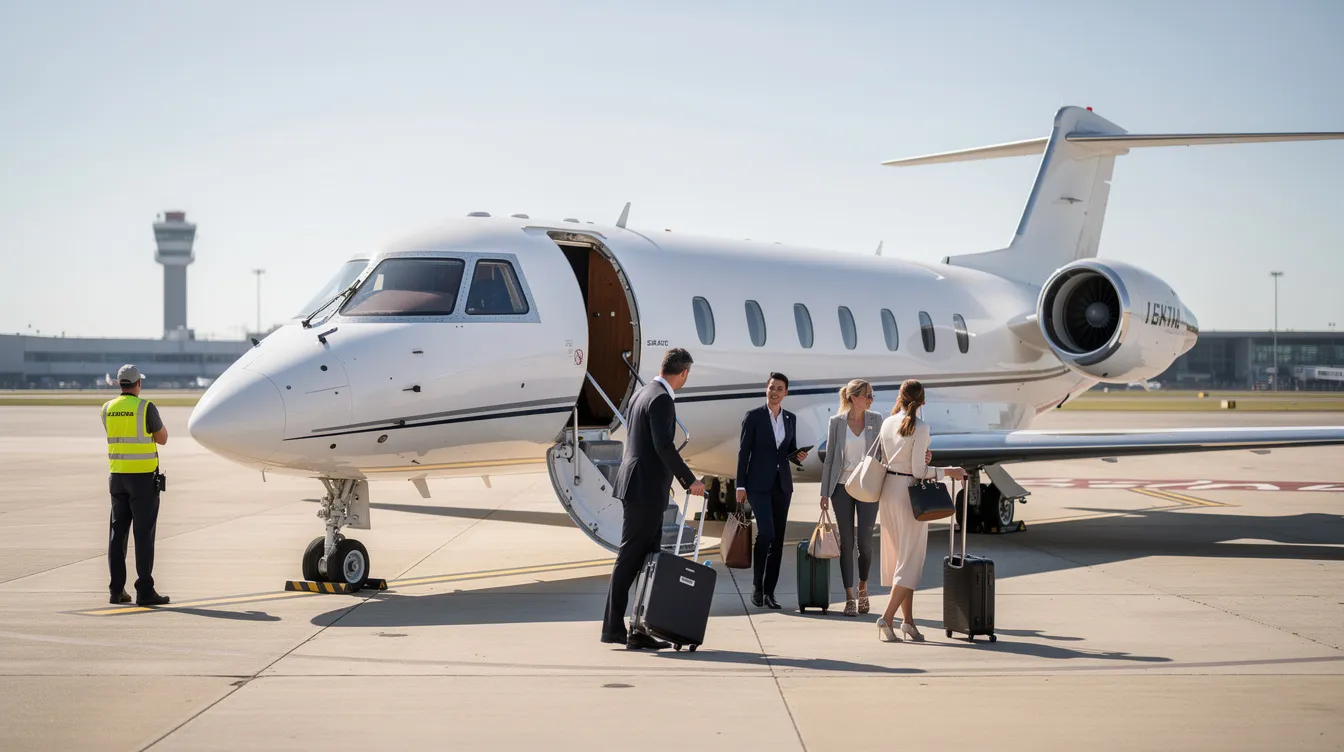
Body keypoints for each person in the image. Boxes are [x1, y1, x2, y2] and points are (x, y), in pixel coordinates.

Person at [602, 348, 705, 649]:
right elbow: (663, 446)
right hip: (644, 490)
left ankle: (639, 630)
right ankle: (613, 628)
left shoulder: (643, 392)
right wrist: (689, 480)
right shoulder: (661, 399)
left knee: (648, 560)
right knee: (631, 558)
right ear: (684, 373)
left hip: (641, 486)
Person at [875, 379, 965, 642]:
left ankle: (908, 622)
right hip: (909, 494)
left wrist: (922, 458)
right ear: (923, 400)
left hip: (888, 491)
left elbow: (891, 459)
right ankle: (887, 618)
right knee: (911, 559)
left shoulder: (887, 422)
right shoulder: (921, 427)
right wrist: (949, 471)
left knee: (900, 560)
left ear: (900, 397)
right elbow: (918, 471)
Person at [735, 373, 807, 609]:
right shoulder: (753, 417)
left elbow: (788, 450)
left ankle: (770, 593)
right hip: (757, 485)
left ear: (786, 393)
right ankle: (757, 586)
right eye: (772, 387)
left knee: (777, 540)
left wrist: (798, 456)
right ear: (766, 390)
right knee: (766, 533)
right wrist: (740, 485)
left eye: (780, 388)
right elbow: (744, 451)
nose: (775, 392)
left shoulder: (790, 418)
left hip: (782, 485)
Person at [102, 364, 171, 607]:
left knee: (117, 535)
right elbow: (162, 438)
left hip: (117, 477)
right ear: (138, 383)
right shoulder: (145, 408)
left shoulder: (107, 408)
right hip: (142, 479)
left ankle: (116, 590)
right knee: (143, 535)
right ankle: (144, 591)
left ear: (119, 383)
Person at [819, 379, 883, 617]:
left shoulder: (876, 420)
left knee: (865, 543)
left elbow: (885, 453)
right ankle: (849, 598)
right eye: (868, 395)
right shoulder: (836, 422)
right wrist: (824, 492)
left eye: (872, 395)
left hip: (867, 487)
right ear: (854, 398)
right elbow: (829, 458)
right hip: (841, 488)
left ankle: (863, 586)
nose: (871, 399)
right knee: (846, 542)